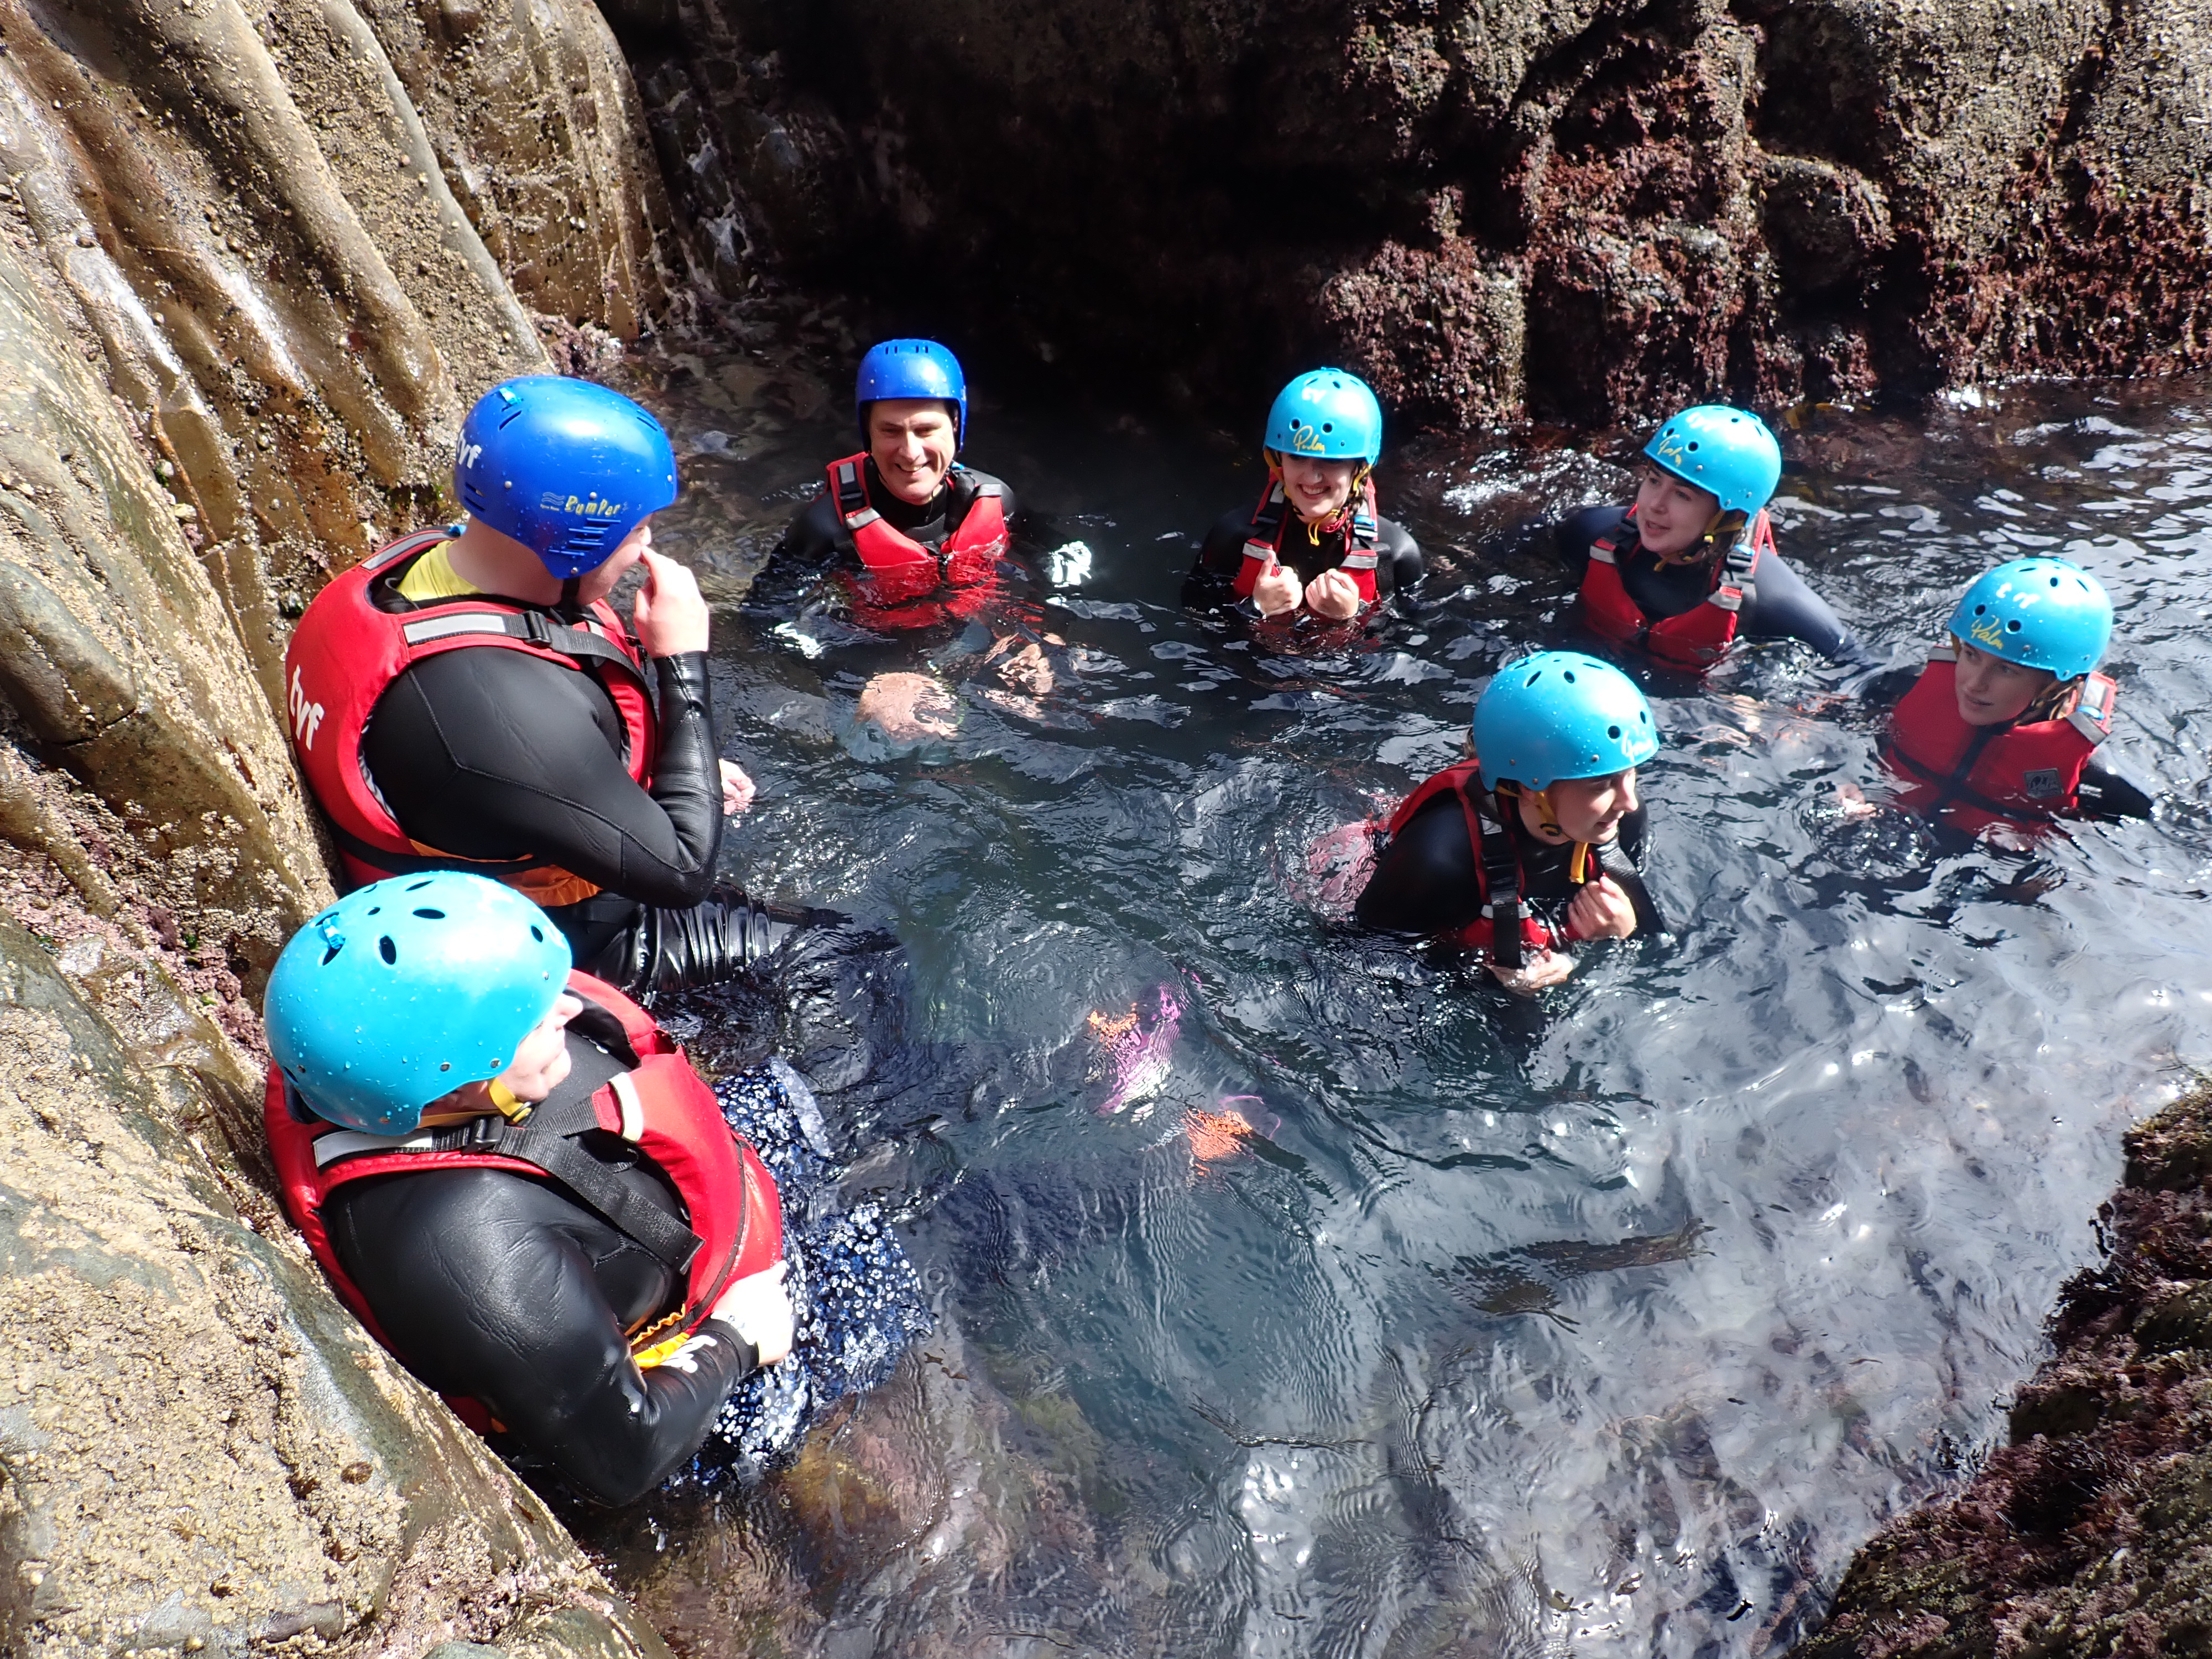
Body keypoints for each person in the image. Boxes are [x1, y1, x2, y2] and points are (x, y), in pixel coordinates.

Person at [261, 873, 795, 1506]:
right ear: (455, 1083)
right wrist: (735, 1342)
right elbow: (625, 1456)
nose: (568, 1008)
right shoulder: (469, 1255)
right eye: (535, 1018)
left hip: (711, 1202)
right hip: (713, 1343)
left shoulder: (400, 1063)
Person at [284, 375, 826, 993]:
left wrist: (654, 766)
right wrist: (682, 665)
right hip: (544, 950)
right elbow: (680, 873)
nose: (647, 546)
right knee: (845, 953)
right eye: (638, 529)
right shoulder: (486, 708)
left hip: (508, 810)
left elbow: (537, 750)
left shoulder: (432, 567)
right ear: (575, 543)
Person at [760, 338, 1056, 742]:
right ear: (867, 433)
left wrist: (1046, 636)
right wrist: (858, 678)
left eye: (925, 429)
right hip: (869, 659)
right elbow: (762, 619)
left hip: (975, 645)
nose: (911, 452)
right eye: (890, 431)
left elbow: (1061, 561)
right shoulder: (826, 528)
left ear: (956, 425)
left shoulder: (996, 500)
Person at [1356, 651, 1663, 989]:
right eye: (1601, 783)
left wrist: (1618, 936)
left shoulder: (1621, 821)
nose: (1630, 801)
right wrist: (1492, 980)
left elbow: (1656, 952)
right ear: (1532, 789)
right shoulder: (1437, 859)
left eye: (1630, 774)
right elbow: (1365, 961)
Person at [1553, 404, 1872, 669]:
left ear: (1729, 516)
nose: (1654, 505)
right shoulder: (1590, 533)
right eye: (1653, 480)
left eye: (1682, 495)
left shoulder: (1774, 600)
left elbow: (1855, 669)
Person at [1880, 556, 2151, 831]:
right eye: (1972, 655)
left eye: (2006, 670)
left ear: (2055, 685)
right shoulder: (1905, 688)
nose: (1974, 684)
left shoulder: (2089, 774)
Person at [1185, 369, 1423, 640]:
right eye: (1297, 458)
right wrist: (1256, 609)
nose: (1313, 477)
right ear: (1279, 461)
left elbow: (1408, 647)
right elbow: (1198, 625)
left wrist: (1352, 620)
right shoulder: (1232, 535)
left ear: (1359, 468)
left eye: (1332, 461)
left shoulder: (1398, 555)